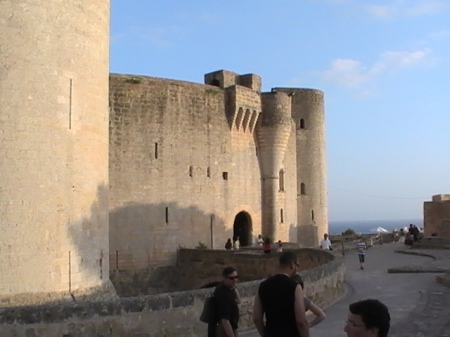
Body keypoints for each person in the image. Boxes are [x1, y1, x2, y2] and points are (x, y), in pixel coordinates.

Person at [253, 251, 310, 337]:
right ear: (292, 264)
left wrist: (265, 334)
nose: (297, 269)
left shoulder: (263, 286)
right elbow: (301, 321)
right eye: (297, 265)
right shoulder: (295, 287)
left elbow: (256, 318)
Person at [212, 266, 241, 337]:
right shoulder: (224, 294)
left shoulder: (229, 289)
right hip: (225, 329)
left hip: (232, 325)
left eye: (236, 277)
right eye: (231, 278)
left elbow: (238, 301)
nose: (235, 280)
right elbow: (225, 320)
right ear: (225, 278)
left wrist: (234, 288)